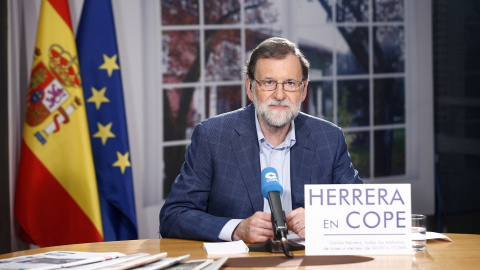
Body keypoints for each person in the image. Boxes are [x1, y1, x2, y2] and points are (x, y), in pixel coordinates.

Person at [159, 37, 363, 243]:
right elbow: (173, 216)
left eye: (290, 83)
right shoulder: (213, 137)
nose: (280, 94)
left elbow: (366, 209)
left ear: (303, 90)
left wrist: (322, 219)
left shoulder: (328, 138)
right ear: (250, 88)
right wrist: (236, 229)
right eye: (268, 82)